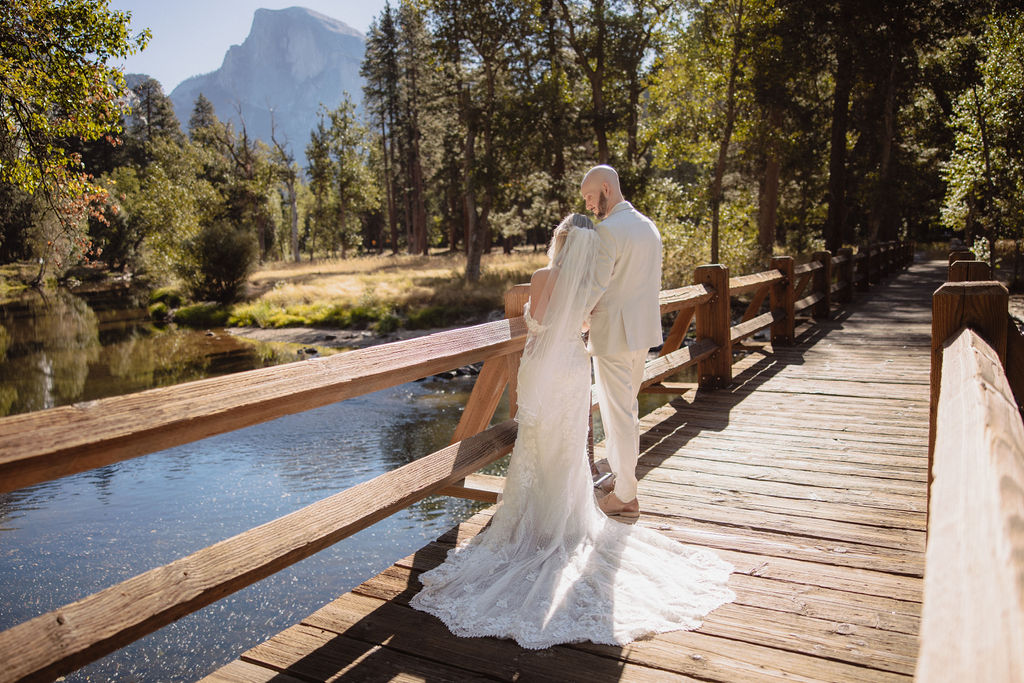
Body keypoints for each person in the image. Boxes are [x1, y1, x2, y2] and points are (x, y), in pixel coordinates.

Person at [409, 212, 734, 649]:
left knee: (538, 440)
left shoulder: (543, 276)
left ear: (560, 241)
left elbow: (536, 322)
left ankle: (537, 523)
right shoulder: (590, 282)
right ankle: (564, 522)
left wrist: (532, 311)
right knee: (565, 444)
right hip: (574, 365)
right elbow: (582, 323)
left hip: (544, 364)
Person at [581, 165, 663, 519]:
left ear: (605, 189)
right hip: (642, 333)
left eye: (589, 197)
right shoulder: (649, 228)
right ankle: (620, 477)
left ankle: (626, 495)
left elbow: (596, 287)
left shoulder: (607, 232)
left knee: (618, 416)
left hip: (613, 333)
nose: (588, 206)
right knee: (627, 411)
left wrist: (578, 320)